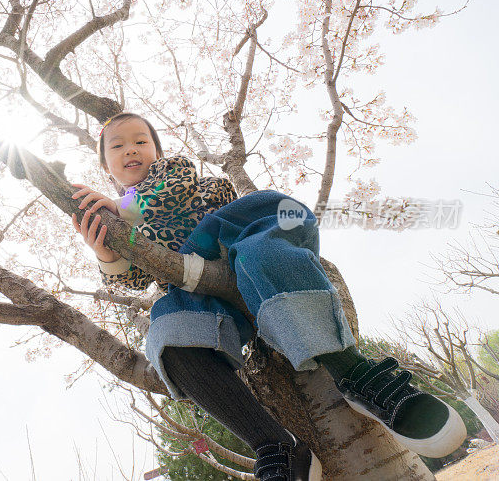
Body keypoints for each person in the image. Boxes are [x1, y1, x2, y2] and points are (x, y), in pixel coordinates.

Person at [70, 112, 466, 481]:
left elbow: (172, 190)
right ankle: (275, 445)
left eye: (141, 141)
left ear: (157, 152)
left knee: (263, 245)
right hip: (204, 292)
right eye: (118, 147)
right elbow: (136, 281)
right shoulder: (129, 225)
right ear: (106, 166)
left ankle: (356, 374)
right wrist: (108, 253)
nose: (131, 150)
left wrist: (125, 207)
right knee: (167, 333)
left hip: (241, 238)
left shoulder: (171, 174)